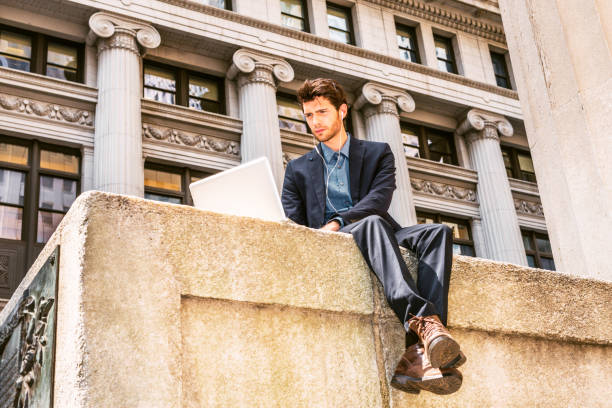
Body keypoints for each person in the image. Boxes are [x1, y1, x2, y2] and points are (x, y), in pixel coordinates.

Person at [281, 78, 466, 395]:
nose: (315, 122)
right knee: (370, 224)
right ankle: (426, 329)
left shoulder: (378, 153)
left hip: (377, 229)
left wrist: (339, 220)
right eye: (308, 115)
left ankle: (418, 353)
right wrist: (327, 231)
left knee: (436, 232)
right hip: (333, 239)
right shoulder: (297, 168)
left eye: (322, 112)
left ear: (342, 111)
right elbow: (292, 219)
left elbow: (378, 200)